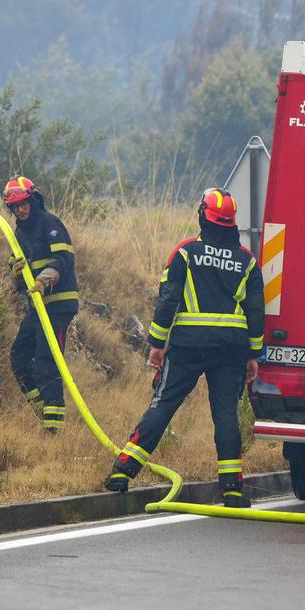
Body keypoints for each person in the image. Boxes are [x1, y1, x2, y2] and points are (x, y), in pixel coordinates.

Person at [103, 189, 264, 507]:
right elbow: (256, 312)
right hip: (231, 348)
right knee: (226, 415)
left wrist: (156, 345)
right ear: (231, 222)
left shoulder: (185, 253)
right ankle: (232, 489)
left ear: (203, 216)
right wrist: (253, 354)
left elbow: (168, 301)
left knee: (163, 405)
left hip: (188, 344)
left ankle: (123, 471)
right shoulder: (247, 261)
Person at [4, 176, 79, 433]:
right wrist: (15, 273)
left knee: (47, 361)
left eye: (24, 204)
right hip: (38, 305)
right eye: (15, 207)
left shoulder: (50, 223)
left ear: (33, 199)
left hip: (59, 303)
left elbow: (64, 258)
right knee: (19, 358)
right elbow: (20, 283)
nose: (21, 210)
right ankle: (41, 411)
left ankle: (53, 431)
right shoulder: (17, 234)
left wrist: (44, 280)